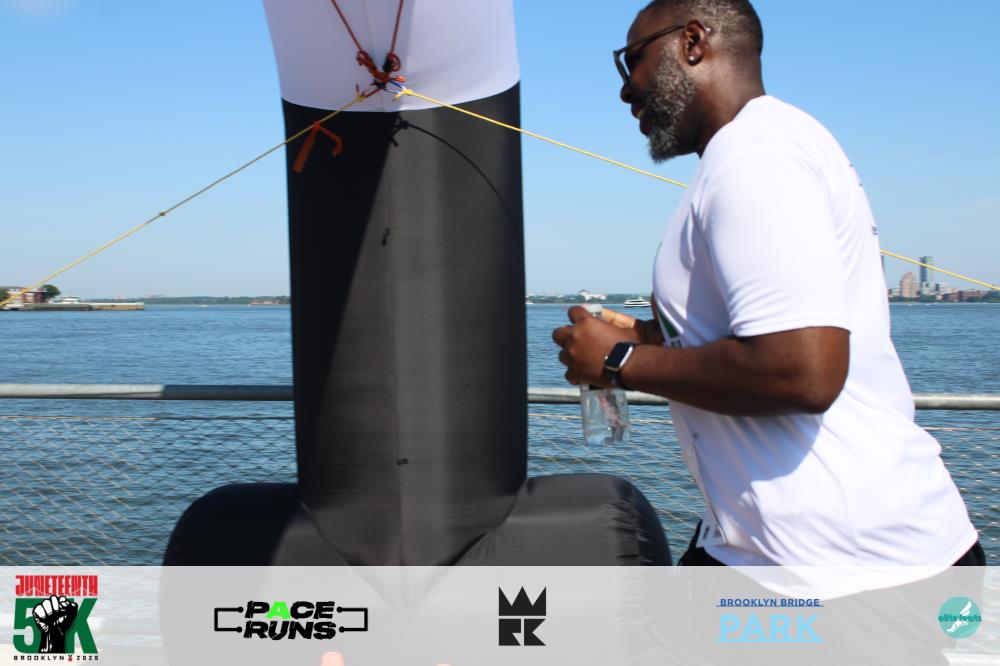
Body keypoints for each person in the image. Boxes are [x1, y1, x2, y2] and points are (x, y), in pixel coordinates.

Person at [552, 0, 983, 597]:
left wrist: (619, 360)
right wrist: (648, 336)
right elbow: (757, 331)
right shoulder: (760, 148)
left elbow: (802, 371)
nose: (626, 90)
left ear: (693, 42)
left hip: (848, 573)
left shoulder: (755, 158)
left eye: (632, 61)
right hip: (775, 552)